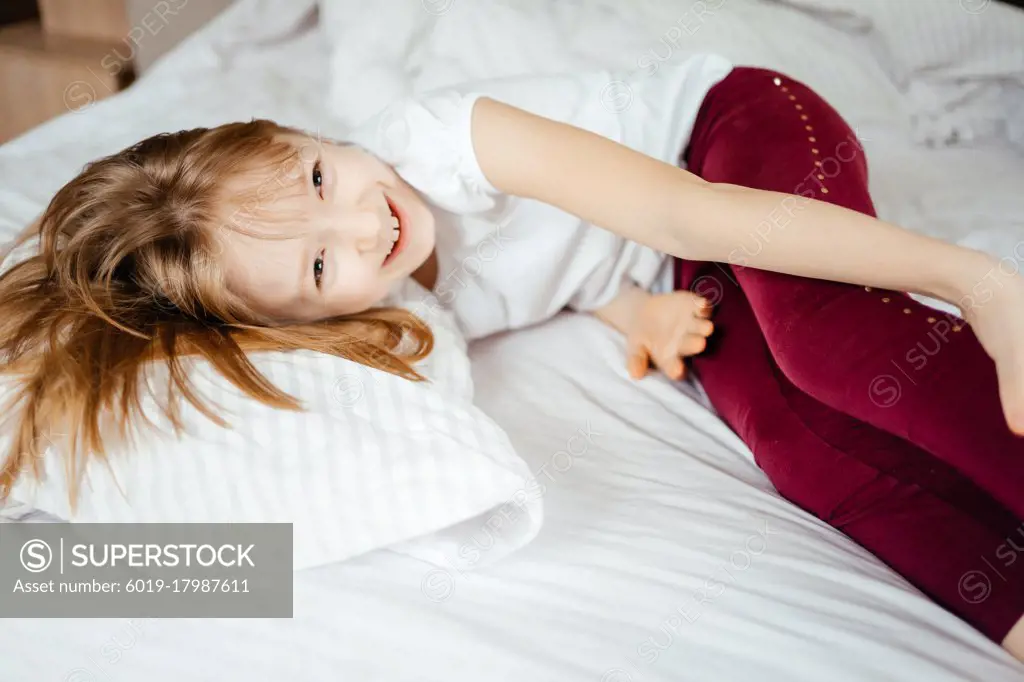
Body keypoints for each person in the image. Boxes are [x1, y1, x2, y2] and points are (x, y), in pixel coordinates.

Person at [1, 52, 1023, 659]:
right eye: (318, 266)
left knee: (822, 349)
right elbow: (574, 267)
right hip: (684, 270)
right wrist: (634, 314)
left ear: (290, 129)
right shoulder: (402, 317)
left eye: (317, 176)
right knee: (804, 447)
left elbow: (685, 208)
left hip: (728, 142)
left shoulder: (452, 143)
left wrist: (973, 281)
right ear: (296, 324)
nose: (362, 225)